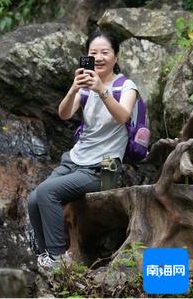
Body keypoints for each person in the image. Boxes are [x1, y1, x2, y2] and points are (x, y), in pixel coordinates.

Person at [27, 30, 138, 269]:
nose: (98, 58)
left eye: (104, 53)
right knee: (34, 199)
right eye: (93, 53)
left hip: (103, 169)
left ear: (116, 57)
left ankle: (57, 260)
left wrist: (102, 90)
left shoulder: (126, 86)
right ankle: (45, 254)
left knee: (48, 192)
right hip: (74, 161)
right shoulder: (85, 87)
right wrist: (74, 89)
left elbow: (123, 117)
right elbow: (64, 113)